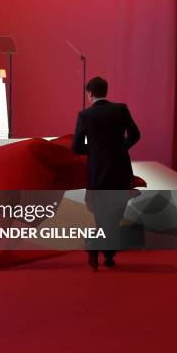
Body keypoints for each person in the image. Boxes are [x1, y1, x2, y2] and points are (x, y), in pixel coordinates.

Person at [73, 76, 141, 270]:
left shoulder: (85, 115)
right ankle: (108, 255)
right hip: (120, 170)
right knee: (115, 214)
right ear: (106, 91)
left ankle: (95, 246)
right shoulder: (121, 109)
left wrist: (96, 151)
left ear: (90, 93)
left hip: (98, 172)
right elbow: (136, 135)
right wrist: (120, 149)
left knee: (102, 215)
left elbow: (77, 147)